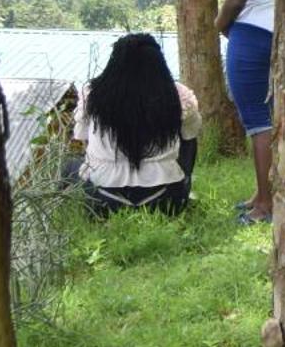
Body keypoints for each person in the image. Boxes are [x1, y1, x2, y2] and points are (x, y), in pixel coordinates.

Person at [70, 33, 201, 216]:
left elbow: (81, 137)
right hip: (165, 198)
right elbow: (190, 135)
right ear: (158, 62)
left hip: (102, 198)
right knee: (189, 137)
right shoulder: (179, 95)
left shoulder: (92, 93)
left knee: (69, 165)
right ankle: (183, 186)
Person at [217, 0, 279, 224]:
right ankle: (263, 193)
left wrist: (220, 24)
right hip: (278, 32)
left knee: (256, 120)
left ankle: (265, 205)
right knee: (272, 115)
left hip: (250, 33)